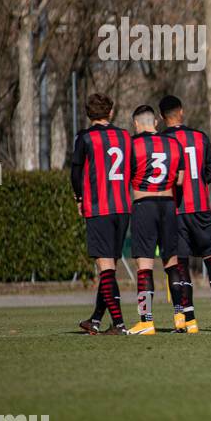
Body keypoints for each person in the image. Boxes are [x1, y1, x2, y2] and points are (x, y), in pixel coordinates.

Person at [160, 95, 211, 331]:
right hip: (200, 209)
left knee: (181, 265)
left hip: (175, 211)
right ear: (181, 112)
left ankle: (187, 319)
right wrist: (198, 182)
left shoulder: (160, 141)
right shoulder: (200, 137)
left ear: (162, 117)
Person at [70, 93, 132, 335]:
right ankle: (95, 320)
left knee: (105, 269)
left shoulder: (85, 138)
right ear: (111, 112)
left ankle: (118, 325)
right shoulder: (125, 136)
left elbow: (75, 174)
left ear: (88, 114)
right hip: (123, 208)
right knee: (109, 269)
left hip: (99, 208)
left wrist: (78, 198)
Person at [125, 105, 183, 335]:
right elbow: (179, 179)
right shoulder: (173, 143)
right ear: (155, 123)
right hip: (168, 205)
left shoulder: (132, 144)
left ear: (136, 123)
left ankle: (146, 320)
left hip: (144, 205)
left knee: (144, 266)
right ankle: (180, 316)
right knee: (172, 264)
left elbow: (125, 176)